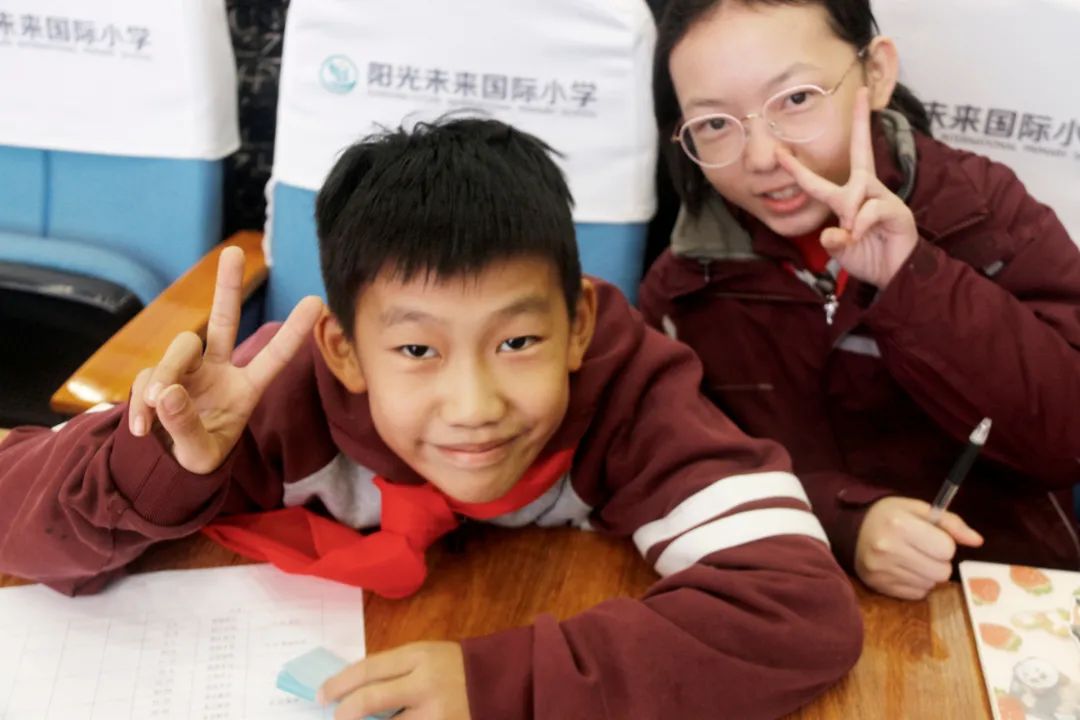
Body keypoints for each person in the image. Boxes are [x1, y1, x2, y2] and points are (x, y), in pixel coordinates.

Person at [0, 118, 861, 719]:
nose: (475, 406)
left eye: (517, 341)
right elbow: (12, 510)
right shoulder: (268, 398)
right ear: (344, 352)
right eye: (417, 350)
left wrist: (504, 688)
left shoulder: (629, 392)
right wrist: (155, 465)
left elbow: (796, 607)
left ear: (578, 327)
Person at [639, 0, 1080, 602]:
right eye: (715, 124)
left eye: (796, 98)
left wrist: (912, 275)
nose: (762, 158)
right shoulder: (686, 283)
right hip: (793, 594)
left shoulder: (983, 215)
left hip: (1003, 598)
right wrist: (843, 519)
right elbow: (676, 466)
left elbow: (1066, 441)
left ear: (876, 72)